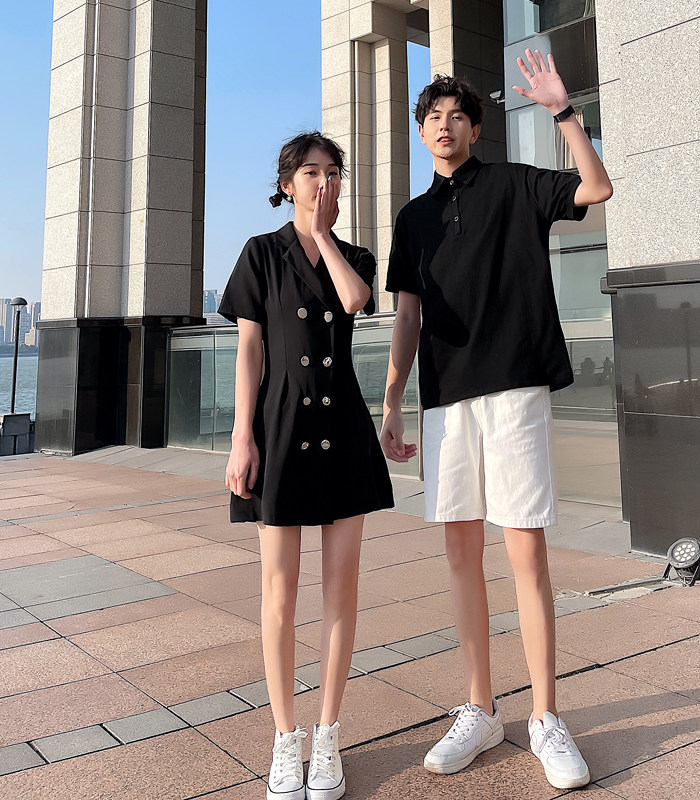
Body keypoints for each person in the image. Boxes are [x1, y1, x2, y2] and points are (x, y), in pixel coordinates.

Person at [380, 51, 612, 791]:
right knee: (459, 556)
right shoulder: (412, 218)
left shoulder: (514, 184)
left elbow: (596, 187)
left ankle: (545, 716)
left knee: (526, 554)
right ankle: (480, 709)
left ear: (476, 129)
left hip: (515, 388)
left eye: (458, 116)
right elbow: (407, 315)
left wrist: (562, 112)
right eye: (433, 118)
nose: (445, 126)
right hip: (446, 400)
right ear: (421, 132)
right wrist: (393, 399)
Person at [219, 131, 394, 800]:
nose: (324, 182)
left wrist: (322, 236)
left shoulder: (355, 256)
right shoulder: (260, 254)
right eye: (311, 172)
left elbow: (354, 302)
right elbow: (250, 352)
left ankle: (327, 736)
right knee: (280, 592)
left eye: (333, 172)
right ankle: (284, 738)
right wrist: (242, 436)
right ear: (287, 183)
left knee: (341, 590)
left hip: (341, 429)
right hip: (281, 427)